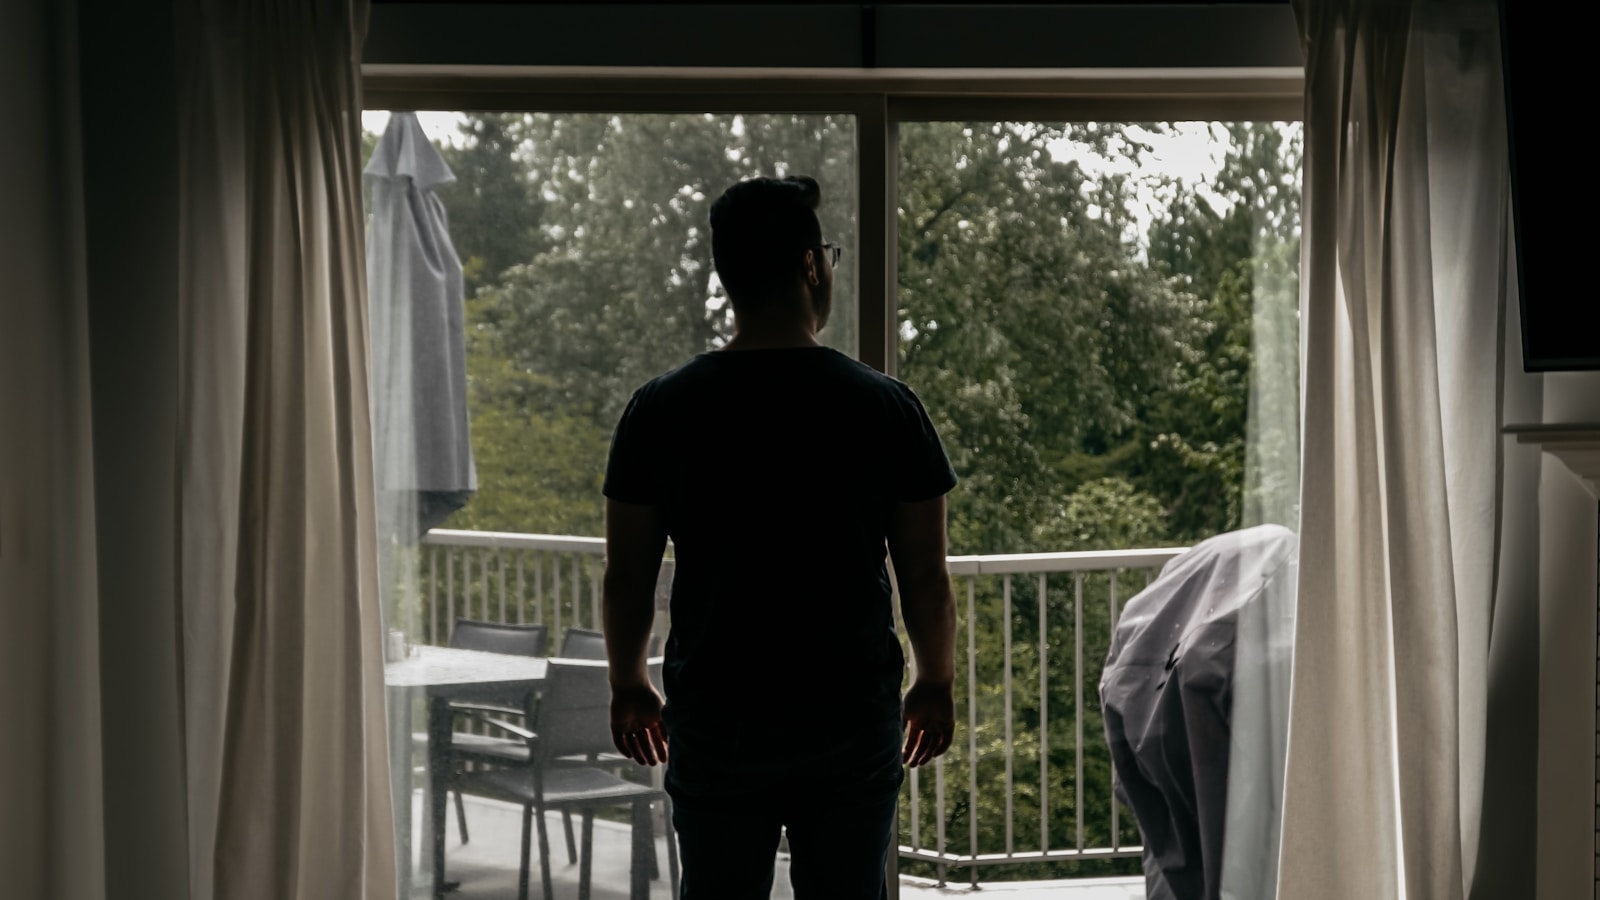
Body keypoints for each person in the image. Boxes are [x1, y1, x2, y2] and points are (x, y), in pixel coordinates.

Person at [601, 174, 959, 898]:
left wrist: (630, 683)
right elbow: (924, 575)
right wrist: (935, 680)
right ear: (810, 265)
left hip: (718, 716)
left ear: (728, 273)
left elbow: (628, 576)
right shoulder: (885, 407)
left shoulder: (661, 411)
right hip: (849, 716)